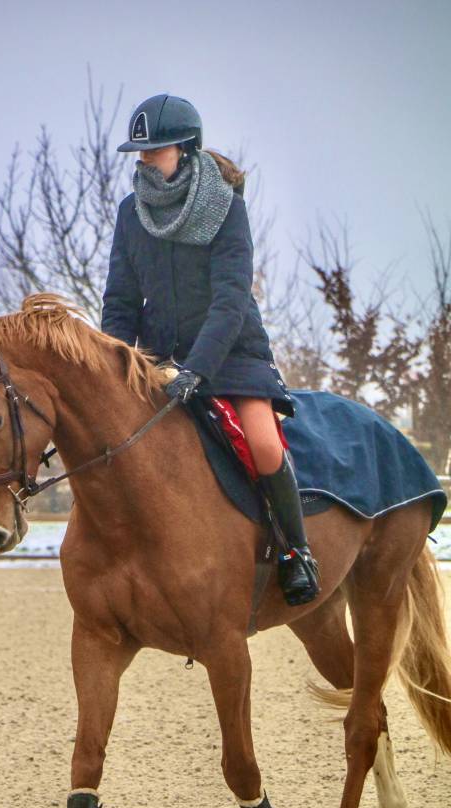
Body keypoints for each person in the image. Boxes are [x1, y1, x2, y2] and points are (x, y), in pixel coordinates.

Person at [102, 93, 319, 606]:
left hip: (232, 353)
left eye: (152, 150)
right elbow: (122, 299)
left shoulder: (226, 208)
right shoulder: (131, 213)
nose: (144, 159)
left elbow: (230, 299)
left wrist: (198, 369)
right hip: (159, 358)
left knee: (264, 445)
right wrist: (115, 362)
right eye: (140, 152)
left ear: (183, 147)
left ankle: (296, 552)